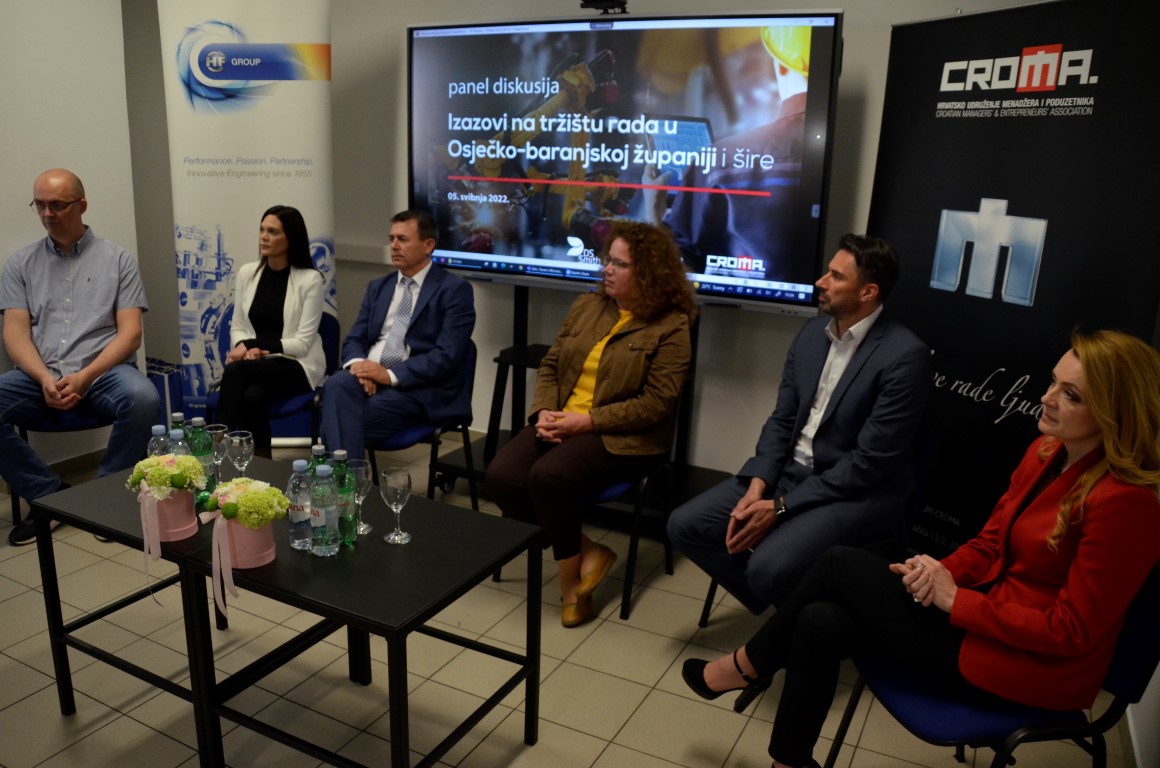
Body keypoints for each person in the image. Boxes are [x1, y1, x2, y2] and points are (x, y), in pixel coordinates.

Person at [681, 329, 1160, 768]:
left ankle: (748, 666)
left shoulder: (1127, 502)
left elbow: (1071, 632)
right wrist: (934, 574)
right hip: (988, 619)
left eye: (1070, 395)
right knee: (818, 619)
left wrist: (956, 601)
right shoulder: (1047, 451)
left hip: (1031, 666)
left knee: (839, 562)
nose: (1046, 398)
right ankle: (788, 760)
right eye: (1053, 382)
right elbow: (990, 543)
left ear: (1114, 414)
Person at [667, 234, 932, 613]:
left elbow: (868, 464)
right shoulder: (811, 335)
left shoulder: (905, 356)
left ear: (868, 292)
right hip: (790, 474)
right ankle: (785, 607)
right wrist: (759, 484)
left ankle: (783, 610)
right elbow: (782, 419)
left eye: (836, 276)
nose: (821, 282)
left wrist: (779, 507)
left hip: (854, 493)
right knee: (684, 525)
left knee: (767, 567)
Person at [486, 220, 696, 627]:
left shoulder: (672, 326)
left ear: (649, 273)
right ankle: (589, 552)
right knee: (500, 476)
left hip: (627, 438)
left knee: (548, 476)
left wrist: (586, 422)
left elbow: (655, 404)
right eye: (608, 260)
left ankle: (570, 587)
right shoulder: (588, 305)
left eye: (620, 264)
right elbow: (551, 364)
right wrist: (543, 412)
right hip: (564, 420)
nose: (607, 269)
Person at [2, 169, 160, 546]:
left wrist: (85, 375)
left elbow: (130, 334)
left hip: (104, 372)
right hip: (39, 374)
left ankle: (105, 499)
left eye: (57, 205)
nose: (47, 214)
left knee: (144, 398)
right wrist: (43, 377)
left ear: (82, 205)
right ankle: (49, 496)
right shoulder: (20, 263)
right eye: (40, 205)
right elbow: (15, 333)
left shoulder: (118, 260)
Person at [319, 209, 475, 457]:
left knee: (338, 417)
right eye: (391, 239)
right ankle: (351, 475)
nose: (393, 246)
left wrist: (389, 375)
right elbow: (355, 338)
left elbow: (448, 355)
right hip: (367, 378)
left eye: (402, 239)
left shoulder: (455, 290)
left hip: (417, 389)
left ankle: (345, 477)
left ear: (428, 245)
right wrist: (362, 368)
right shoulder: (378, 287)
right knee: (336, 384)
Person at [215, 205, 325, 457]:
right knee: (252, 396)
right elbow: (238, 326)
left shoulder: (310, 279)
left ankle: (215, 444)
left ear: (291, 238)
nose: (264, 237)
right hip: (257, 365)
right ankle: (259, 463)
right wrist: (248, 350)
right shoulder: (247, 273)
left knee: (236, 370)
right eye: (262, 230)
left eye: (273, 232)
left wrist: (251, 345)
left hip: (297, 364)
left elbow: (302, 344)